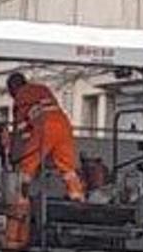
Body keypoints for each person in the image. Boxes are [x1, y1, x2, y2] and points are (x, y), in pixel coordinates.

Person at [6, 73, 85, 201]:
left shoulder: (20, 96)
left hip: (45, 126)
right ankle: (76, 196)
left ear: (13, 87)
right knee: (67, 166)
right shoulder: (43, 88)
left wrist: (15, 154)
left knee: (27, 165)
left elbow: (21, 131)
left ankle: (20, 197)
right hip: (64, 125)